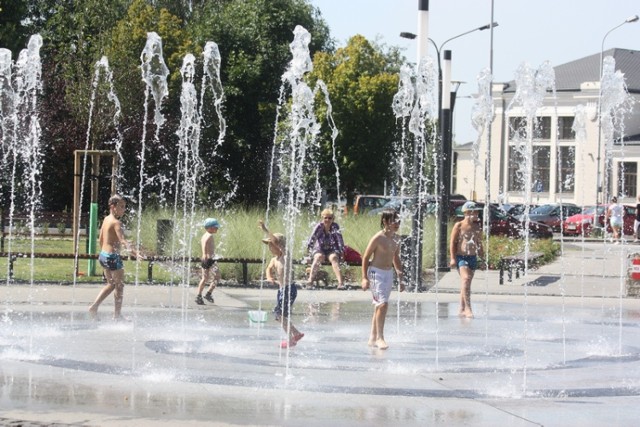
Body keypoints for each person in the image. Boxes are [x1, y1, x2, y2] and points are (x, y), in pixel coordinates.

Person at [89, 194, 138, 320]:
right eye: (121, 206)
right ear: (113, 207)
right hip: (112, 257)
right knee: (119, 286)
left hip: (104, 255)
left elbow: (100, 239)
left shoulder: (106, 219)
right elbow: (123, 240)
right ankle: (117, 315)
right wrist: (134, 252)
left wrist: (104, 252)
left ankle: (94, 307)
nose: (124, 209)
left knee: (111, 284)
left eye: (124, 207)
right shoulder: (117, 223)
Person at [361, 209, 404, 350]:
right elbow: (366, 257)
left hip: (388, 273)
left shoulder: (397, 239)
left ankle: (372, 338)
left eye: (398, 220)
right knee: (382, 305)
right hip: (376, 273)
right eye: (393, 220)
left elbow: (395, 257)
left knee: (379, 306)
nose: (397, 223)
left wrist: (400, 275)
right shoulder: (378, 238)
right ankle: (380, 338)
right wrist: (364, 278)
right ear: (385, 221)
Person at [259, 220, 304, 349]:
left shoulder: (285, 255)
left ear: (279, 245)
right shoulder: (274, 259)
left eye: (271, 245)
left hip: (289, 289)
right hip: (281, 290)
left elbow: (276, 241)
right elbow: (268, 268)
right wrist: (269, 277)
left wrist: (265, 229)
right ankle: (295, 334)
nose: (269, 247)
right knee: (279, 315)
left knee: (280, 315)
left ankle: (293, 337)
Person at [449, 201, 484, 319]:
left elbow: (479, 244)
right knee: (465, 279)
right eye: (474, 212)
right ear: (467, 213)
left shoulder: (476, 227)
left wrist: (483, 259)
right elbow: (452, 243)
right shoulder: (458, 225)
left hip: (472, 257)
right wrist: (453, 258)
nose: (477, 214)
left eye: (477, 212)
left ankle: (461, 309)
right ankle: (468, 308)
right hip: (461, 257)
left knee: (466, 283)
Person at [306, 208, 345, 289]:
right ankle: (310, 280)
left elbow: (340, 240)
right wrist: (309, 255)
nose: (327, 220)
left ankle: (340, 283)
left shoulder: (335, 226)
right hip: (319, 248)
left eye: (330, 218)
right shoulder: (319, 227)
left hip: (331, 249)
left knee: (334, 258)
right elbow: (311, 240)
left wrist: (341, 253)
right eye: (325, 218)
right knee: (318, 257)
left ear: (333, 219)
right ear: (322, 218)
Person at [195, 218, 221, 305]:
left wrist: (204, 256)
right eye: (215, 227)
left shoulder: (204, 235)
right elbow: (206, 245)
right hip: (209, 259)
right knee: (217, 277)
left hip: (205, 259)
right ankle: (208, 293)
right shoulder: (209, 236)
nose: (217, 229)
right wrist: (207, 256)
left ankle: (199, 296)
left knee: (204, 278)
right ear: (210, 227)